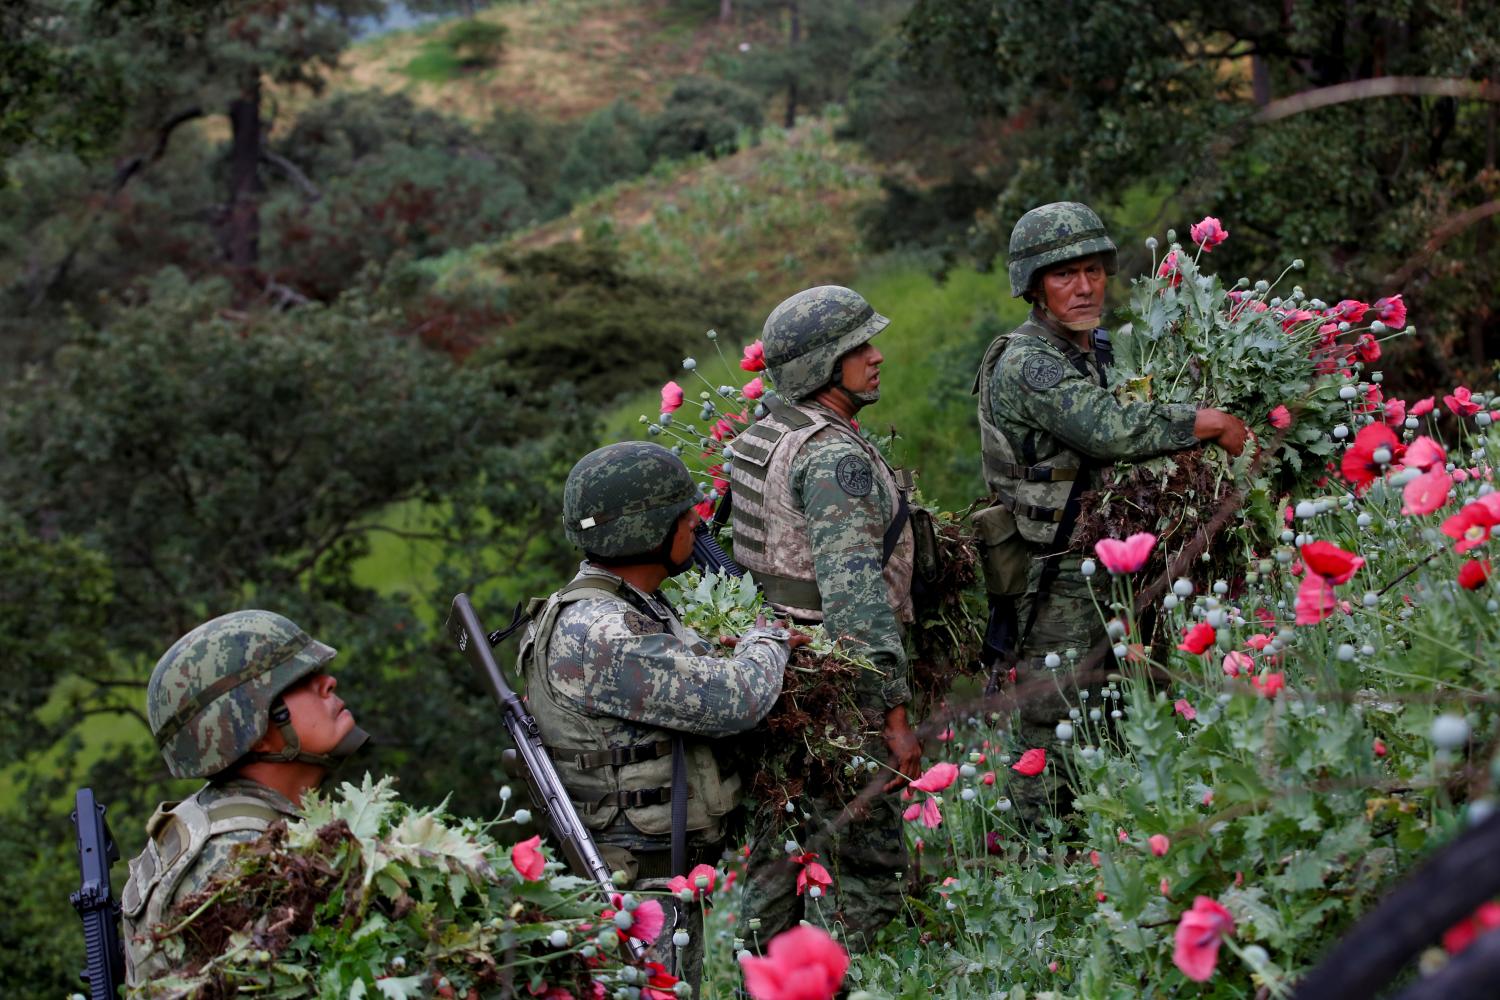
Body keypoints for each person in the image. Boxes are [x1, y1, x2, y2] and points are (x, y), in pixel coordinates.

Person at [974, 200, 1248, 823]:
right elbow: (1109, 429)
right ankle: (1038, 860)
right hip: (1055, 574)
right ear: (1034, 287)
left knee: (1134, 707)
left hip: (1117, 564)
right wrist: (1204, 421)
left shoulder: (1099, 349)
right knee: (1054, 725)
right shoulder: (1025, 362)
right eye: (1065, 275)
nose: (1084, 286)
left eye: (1094, 270)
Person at [521, 440, 799, 986]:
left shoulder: (624, 605)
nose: (695, 525)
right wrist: (770, 635)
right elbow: (736, 698)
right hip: (636, 890)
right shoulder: (602, 632)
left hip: (653, 875)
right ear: (646, 532)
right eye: (682, 515)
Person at [727, 284, 922, 952]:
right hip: (837, 688)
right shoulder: (833, 456)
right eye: (858, 347)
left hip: (776, 674)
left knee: (775, 865)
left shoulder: (765, 436)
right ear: (821, 367)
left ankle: (765, 983)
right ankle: (851, 979)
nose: (877, 357)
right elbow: (855, 596)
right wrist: (890, 715)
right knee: (866, 872)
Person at [121, 610, 370, 984]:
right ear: (249, 726)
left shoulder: (242, 821)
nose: (329, 683)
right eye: (302, 680)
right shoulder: (240, 862)